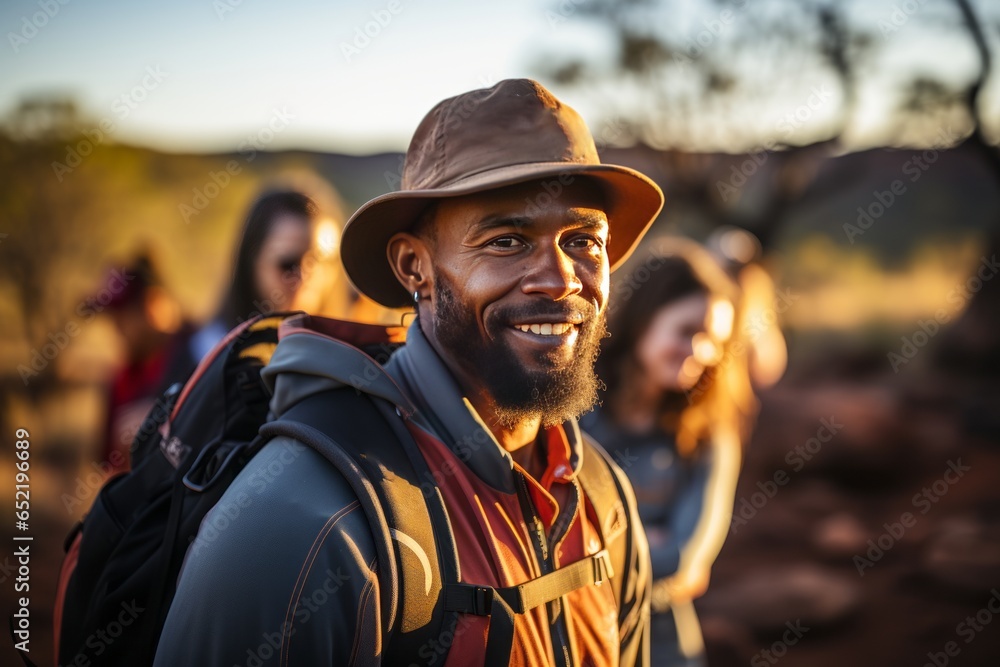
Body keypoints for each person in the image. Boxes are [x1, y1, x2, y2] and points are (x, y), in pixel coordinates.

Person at [154, 79, 663, 666]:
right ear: (413, 266)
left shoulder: (599, 493)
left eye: (583, 241)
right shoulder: (308, 522)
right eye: (506, 241)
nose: (559, 279)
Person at [581, 239, 758, 666]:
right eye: (686, 332)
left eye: (713, 340)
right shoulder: (572, 410)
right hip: (571, 629)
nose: (701, 353)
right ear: (643, 319)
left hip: (662, 637)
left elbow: (684, 556)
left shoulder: (709, 431)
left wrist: (597, 545)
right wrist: (646, 539)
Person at [95, 251, 199, 475]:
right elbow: (109, 471)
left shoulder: (201, 354)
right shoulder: (123, 380)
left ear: (155, 304)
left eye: (123, 316)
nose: (117, 329)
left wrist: (163, 420)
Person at [189, 189, 319, 361]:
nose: (304, 278)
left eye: (317, 261)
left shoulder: (344, 349)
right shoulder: (208, 354)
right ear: (251, 262)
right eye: (288, 264)